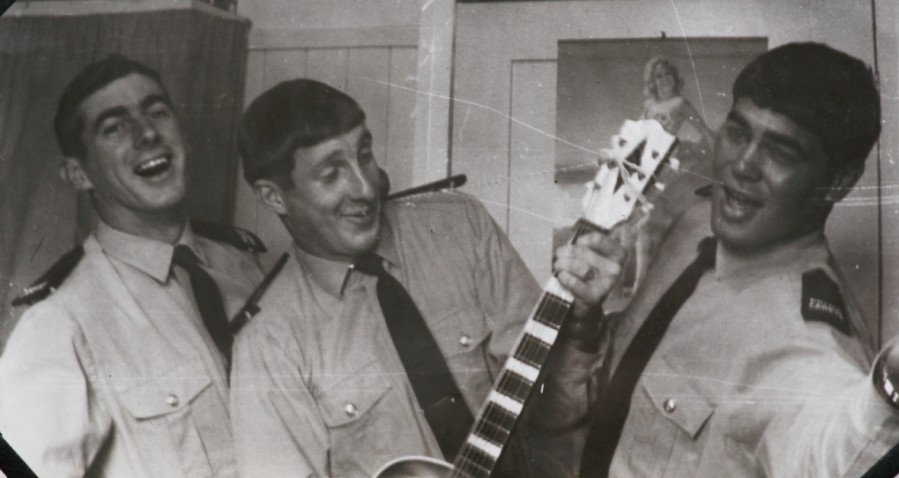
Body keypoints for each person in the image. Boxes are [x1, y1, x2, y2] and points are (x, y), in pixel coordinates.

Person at [529, 42, 899, 477]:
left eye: (780, 153)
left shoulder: (811, 342)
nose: (742, 165)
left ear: (838, 181)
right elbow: (617, 385)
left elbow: (826, 447)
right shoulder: (694, 224)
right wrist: (582, 325)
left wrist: (888, 389)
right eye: (738, 133)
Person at [229, 79, 616, 477]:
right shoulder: (268, 344)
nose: (366, 187)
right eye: (331, 175)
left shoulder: (461, 226)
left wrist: (579, 323)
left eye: (365, 155)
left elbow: (552, 409)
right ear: (273, 197)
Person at [0, 54, 265, 477]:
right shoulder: (62, 324)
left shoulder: (245, 266)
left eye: (157, 112)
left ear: (184, 137)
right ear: (78, 174)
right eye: (115, 127)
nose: (147, 133)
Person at [629, 57, 716, 293]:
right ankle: (640, 284)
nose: (664, 80)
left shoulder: (681, 103)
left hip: (668, 170)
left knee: (656, 224)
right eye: (659, 76)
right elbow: (636, 136)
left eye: (668, 74)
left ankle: (648, 285)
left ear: (675, 78)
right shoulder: (648, 105)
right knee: (643, 225)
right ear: (652, 82)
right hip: (646, 168)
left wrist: (714, 158)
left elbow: (705, 132)